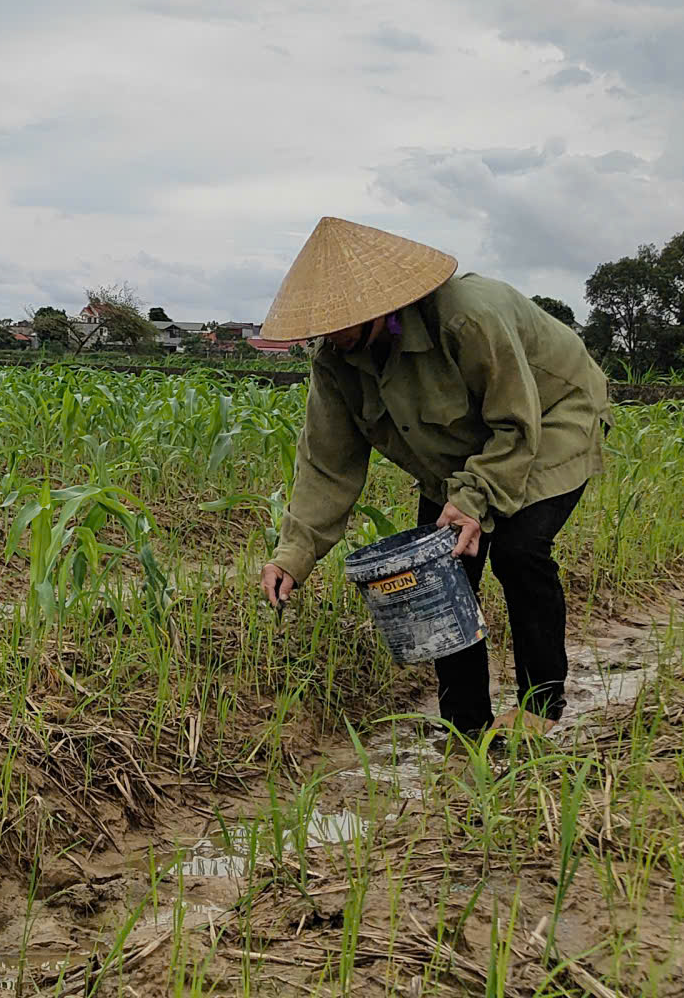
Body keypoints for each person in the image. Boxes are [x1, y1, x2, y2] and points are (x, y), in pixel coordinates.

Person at [254, 218, 609, 741]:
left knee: (518, 551)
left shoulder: (467, 317)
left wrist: (475, 499)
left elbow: (515, 424)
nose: (329, 335)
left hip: (549, 419)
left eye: (340, 322)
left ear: (379, 307)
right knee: (440, 568)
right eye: (321, 326)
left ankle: (540, 705)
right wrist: (293, 554)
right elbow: (327, 464)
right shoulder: (336, 359)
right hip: (461, 451)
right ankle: (466, 725)